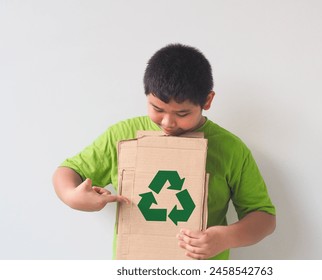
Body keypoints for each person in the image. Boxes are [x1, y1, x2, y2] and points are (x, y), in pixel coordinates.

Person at [53, 43, 276, 260]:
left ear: (207, 101)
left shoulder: (230, 149)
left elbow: (264, 217)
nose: (168, 122)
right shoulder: (122, 135)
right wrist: (72, 196)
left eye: (182, 113)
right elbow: (69, 171)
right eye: (157, 109)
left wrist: (226, 237)